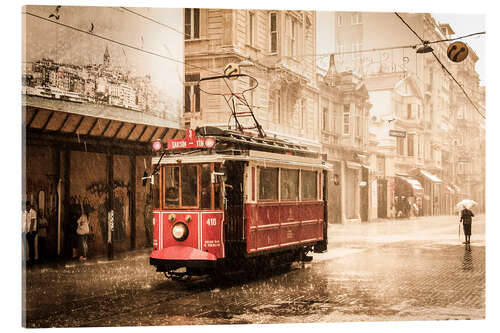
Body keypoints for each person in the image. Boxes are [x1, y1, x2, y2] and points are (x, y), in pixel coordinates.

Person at [24, 201, 37, 266]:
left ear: (29, 206)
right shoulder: (26, 212)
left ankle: (32, 260)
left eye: (27, 206)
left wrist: (31, 230)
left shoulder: (33, 212)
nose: (26, 207)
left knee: (31, 245)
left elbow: (32, 221)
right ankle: (30, 259)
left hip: (32, 231)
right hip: (27, 231)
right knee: (29, 245)